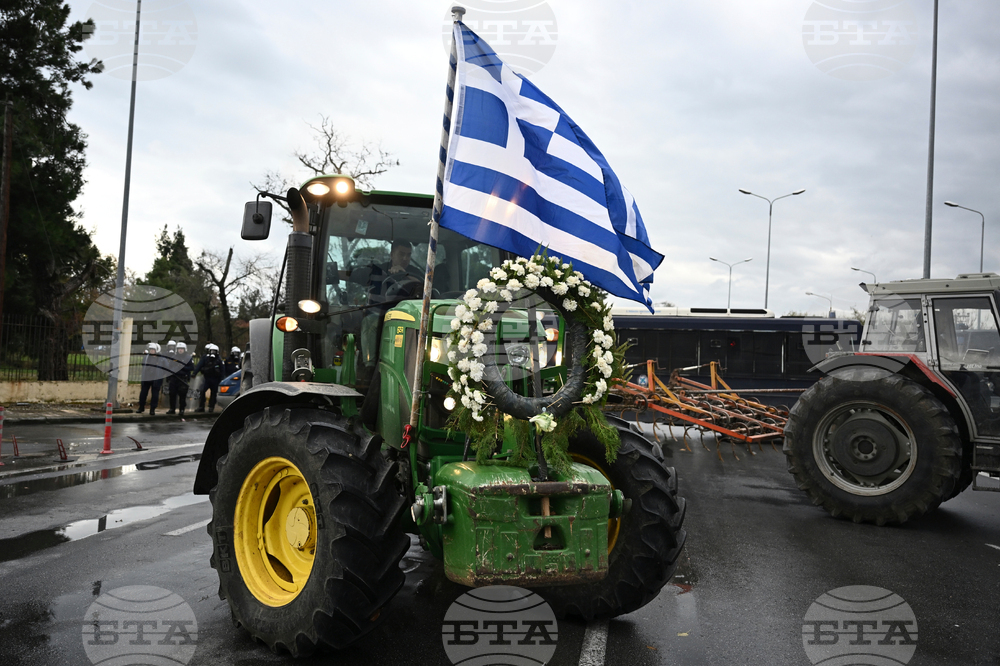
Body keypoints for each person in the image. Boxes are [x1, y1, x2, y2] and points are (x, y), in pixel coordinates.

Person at [193, 343, 225, 412]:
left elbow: (222, 370)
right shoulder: (206, 359)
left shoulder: (219, 360)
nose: (213, 353)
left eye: (214, 351)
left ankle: (211, 407)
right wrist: (194, 373)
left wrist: (222, 379)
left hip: (215, 379)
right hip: (207, 378)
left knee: (213, 393)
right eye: (212, 351)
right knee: (202, 391)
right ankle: (201, 406)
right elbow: (199, 365)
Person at [165, 342, 194, 416]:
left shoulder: (188, 358)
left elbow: (191, 368)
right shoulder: (174, 357)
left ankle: (181, 410)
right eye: (179, 349)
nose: (180, 350)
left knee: (182, 396)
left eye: (182, 349)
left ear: (185, 349)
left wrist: (182, 367)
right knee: (172, 394)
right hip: (174, 378)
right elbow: (169, 367)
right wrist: (168, 377)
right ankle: (172, 409)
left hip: (182, 379)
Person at [137, 342, 164, 415]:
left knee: (155, 395)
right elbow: (143, 364)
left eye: (153, 349)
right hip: (146, 378)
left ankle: (152, 409)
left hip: (156, 379)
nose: (151, 351)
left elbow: (166, 367)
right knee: (143, 393)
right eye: (151, 349)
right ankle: (141, 407)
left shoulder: (161, 358)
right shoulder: (146, 357)